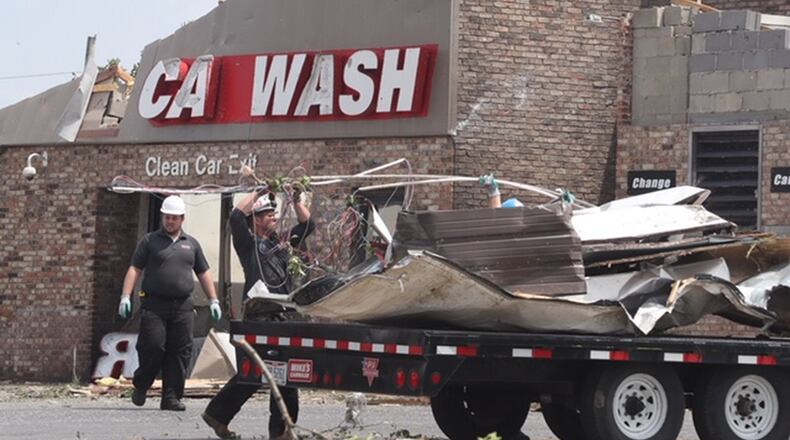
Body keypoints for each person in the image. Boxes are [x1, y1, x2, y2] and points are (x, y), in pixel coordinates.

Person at [202, 181, 315, 440]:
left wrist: (296, 199)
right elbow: (235, 216)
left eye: (274, 213)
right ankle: (275, 428)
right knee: (258, 371)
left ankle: (274, 428)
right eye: (267, 214)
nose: (274, 217)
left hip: (281, 313)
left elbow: (310, 225)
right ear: (255, 220)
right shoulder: (248, 243)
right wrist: (260, 190)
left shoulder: (282, 243)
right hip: (258, 315)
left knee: (282, 370)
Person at [118, 195, 221, 411]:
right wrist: (126, 296)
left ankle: (171, 397)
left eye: (174, 218)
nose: (170, 221)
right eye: (167, 217)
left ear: (182, 219)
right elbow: (134, 268)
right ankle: (142, 384)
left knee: (180, 351)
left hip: (183, 306)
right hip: (154, 305)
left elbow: (203, 272)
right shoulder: (149, 241)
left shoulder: (191, 244)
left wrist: (213, 300)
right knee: (153, 346)